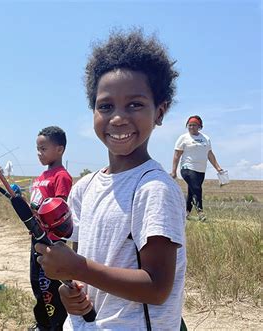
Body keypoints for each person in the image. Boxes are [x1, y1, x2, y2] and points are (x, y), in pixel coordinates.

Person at [35, 29, 186, 330]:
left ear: (160, 111)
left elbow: (157, 288)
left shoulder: (154, 189)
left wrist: (80, 268)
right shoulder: (84, 188)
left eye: (135, 104)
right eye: (105, 106)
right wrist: (70, 287)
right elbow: (84, 268)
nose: (118, 118)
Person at [29, 126, 73, 331]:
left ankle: (56, 324)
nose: (39, 153)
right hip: (36, 238)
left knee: (49, 285)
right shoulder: (40, 177)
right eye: (37, 149)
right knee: (36, 281)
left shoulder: (61, 176)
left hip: (51, 241)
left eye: (43, 149)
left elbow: (59, 207)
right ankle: (42, 323)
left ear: (60, 149)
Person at [171, 115, 224, 221]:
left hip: (200, 170)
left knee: (192, 191)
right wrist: (174, 171)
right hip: (187, 168)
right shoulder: (184, 138)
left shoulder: (205, 138)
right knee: (197, 188)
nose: (191, 127)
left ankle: (186, 213)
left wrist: (217, 167)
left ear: (199, 126)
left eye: (194, 125)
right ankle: (200, 212)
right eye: (189, 125)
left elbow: (209, 154)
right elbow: (177, 155)